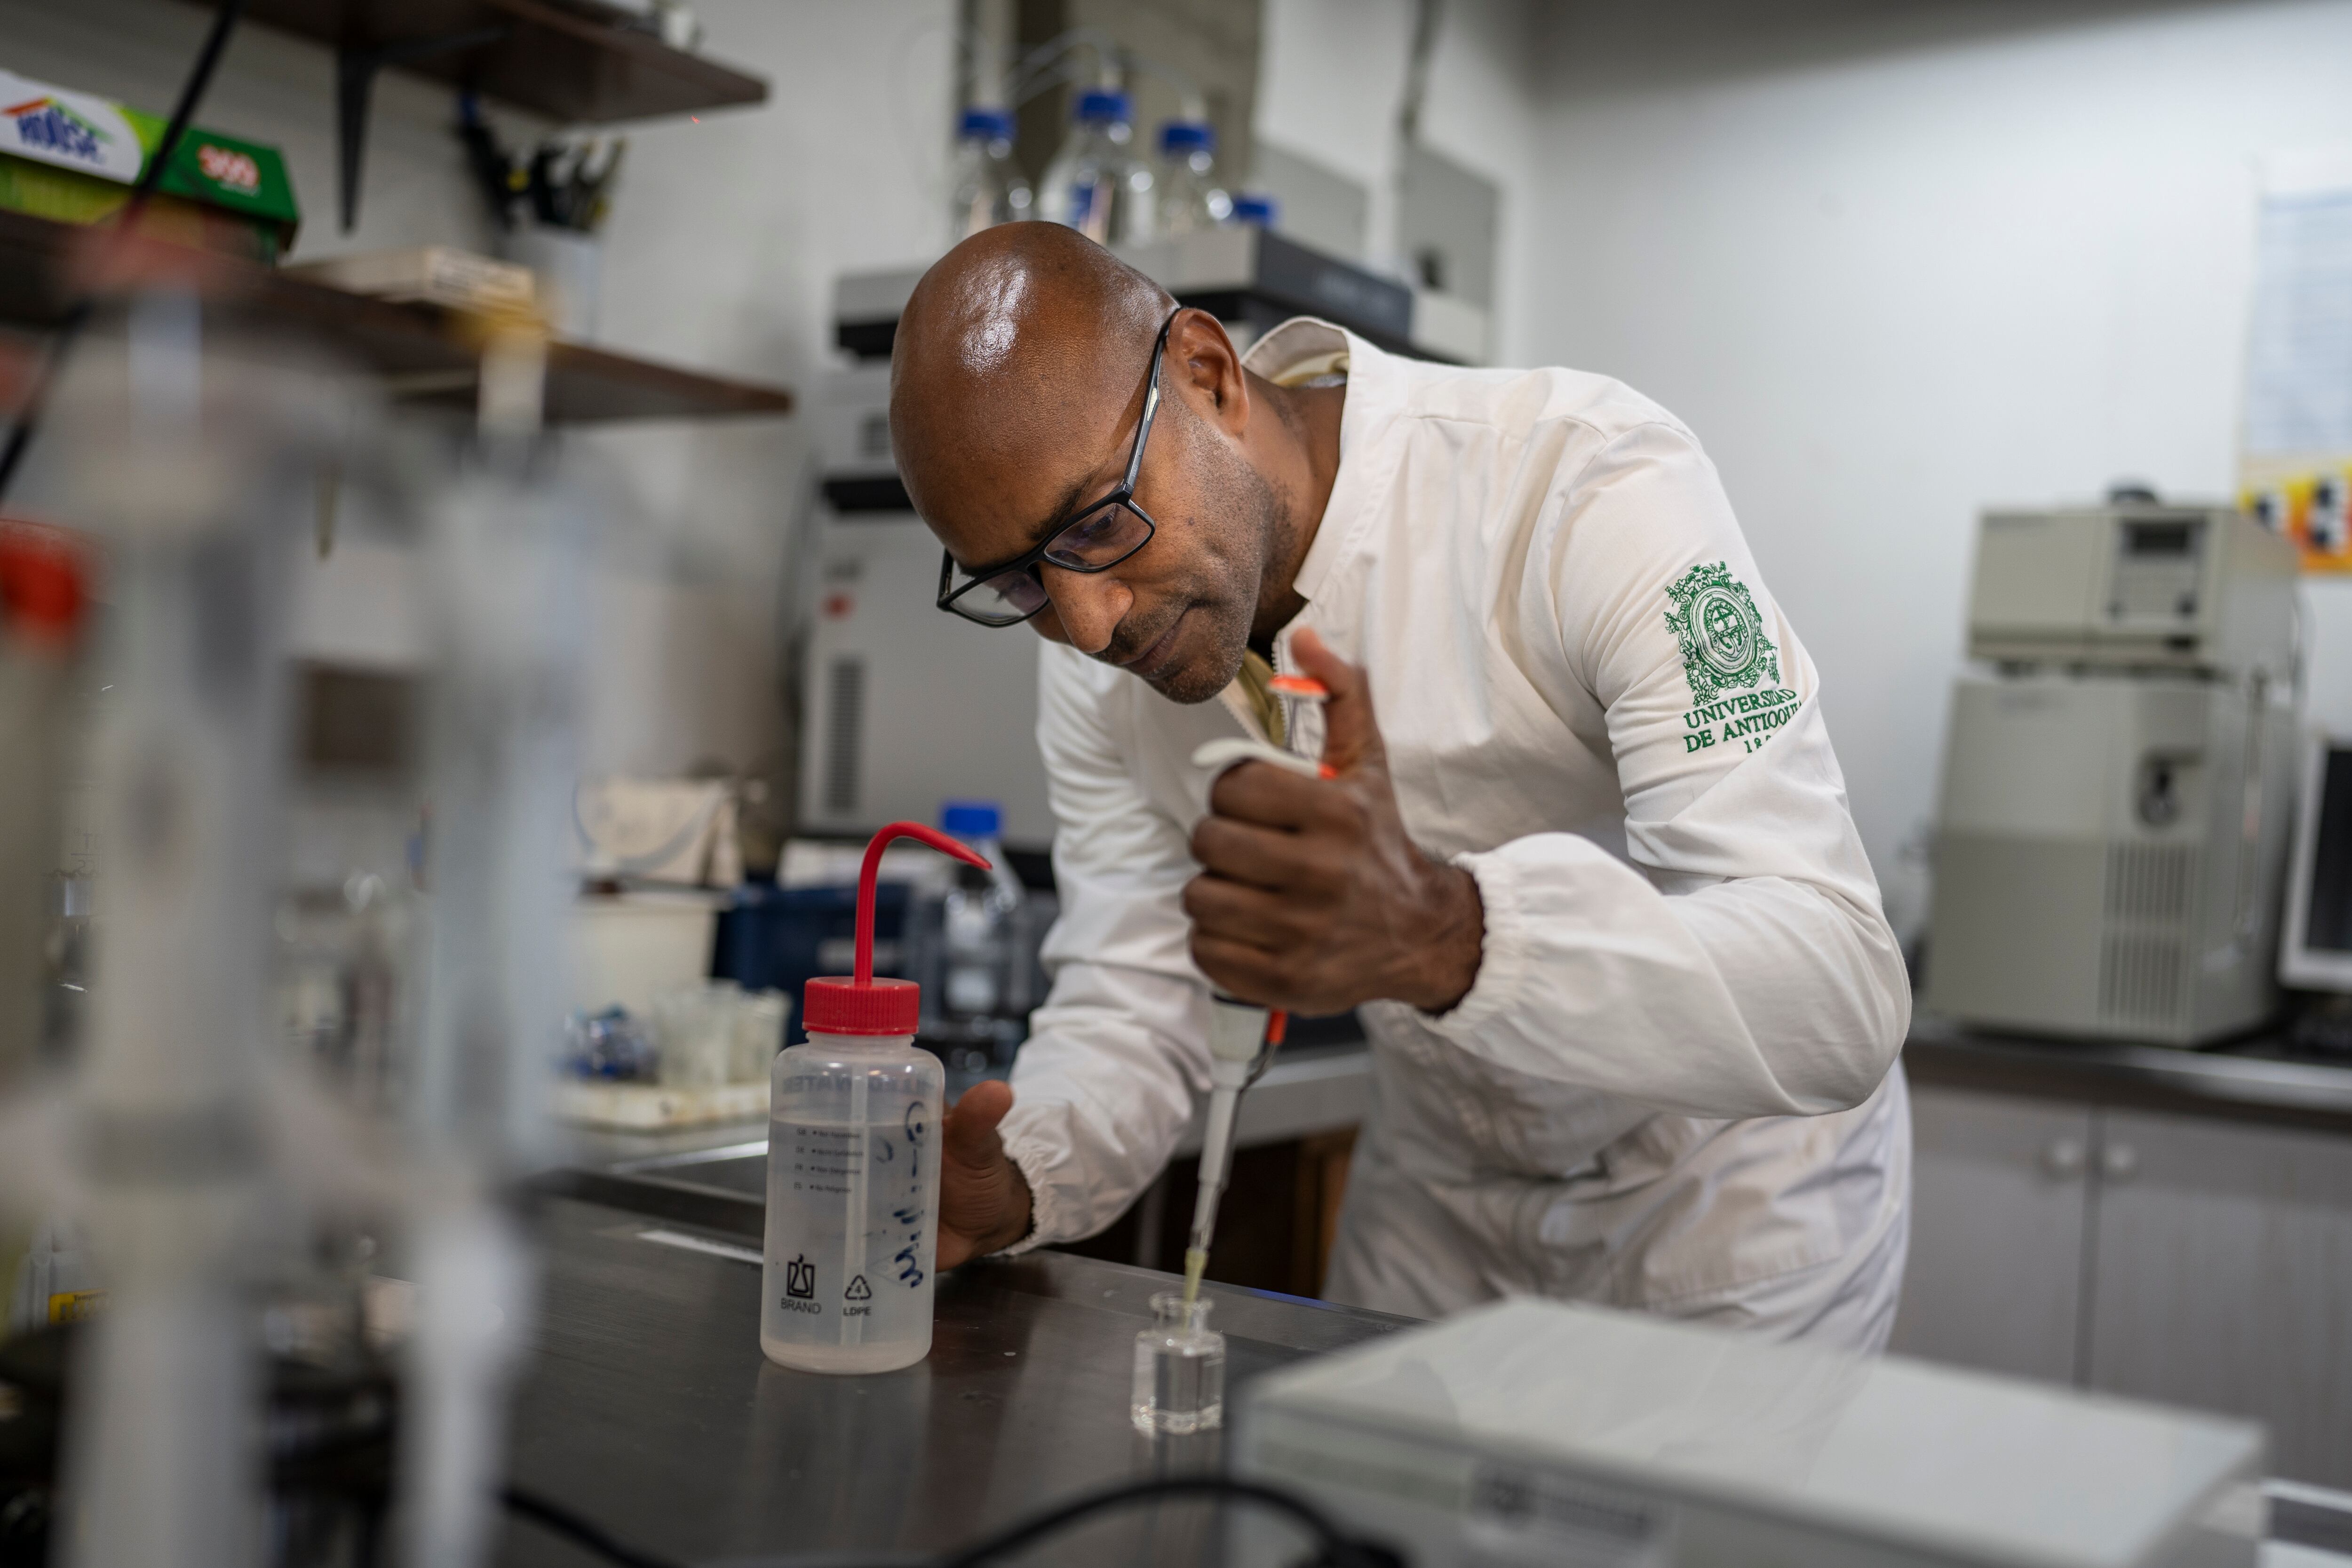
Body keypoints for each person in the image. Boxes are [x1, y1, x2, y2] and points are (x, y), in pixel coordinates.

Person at [891, 223, 1911, 1349]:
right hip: (1436, 1217)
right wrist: (1023, 1179)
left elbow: (1837, 987)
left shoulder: (1583, 485)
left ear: (1208, 374)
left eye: (1096, 523)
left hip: (1726, 1217)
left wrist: (1444, 935)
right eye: (1017, 583)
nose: (1086, 622)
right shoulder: (1097, 663)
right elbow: (1131, 997)